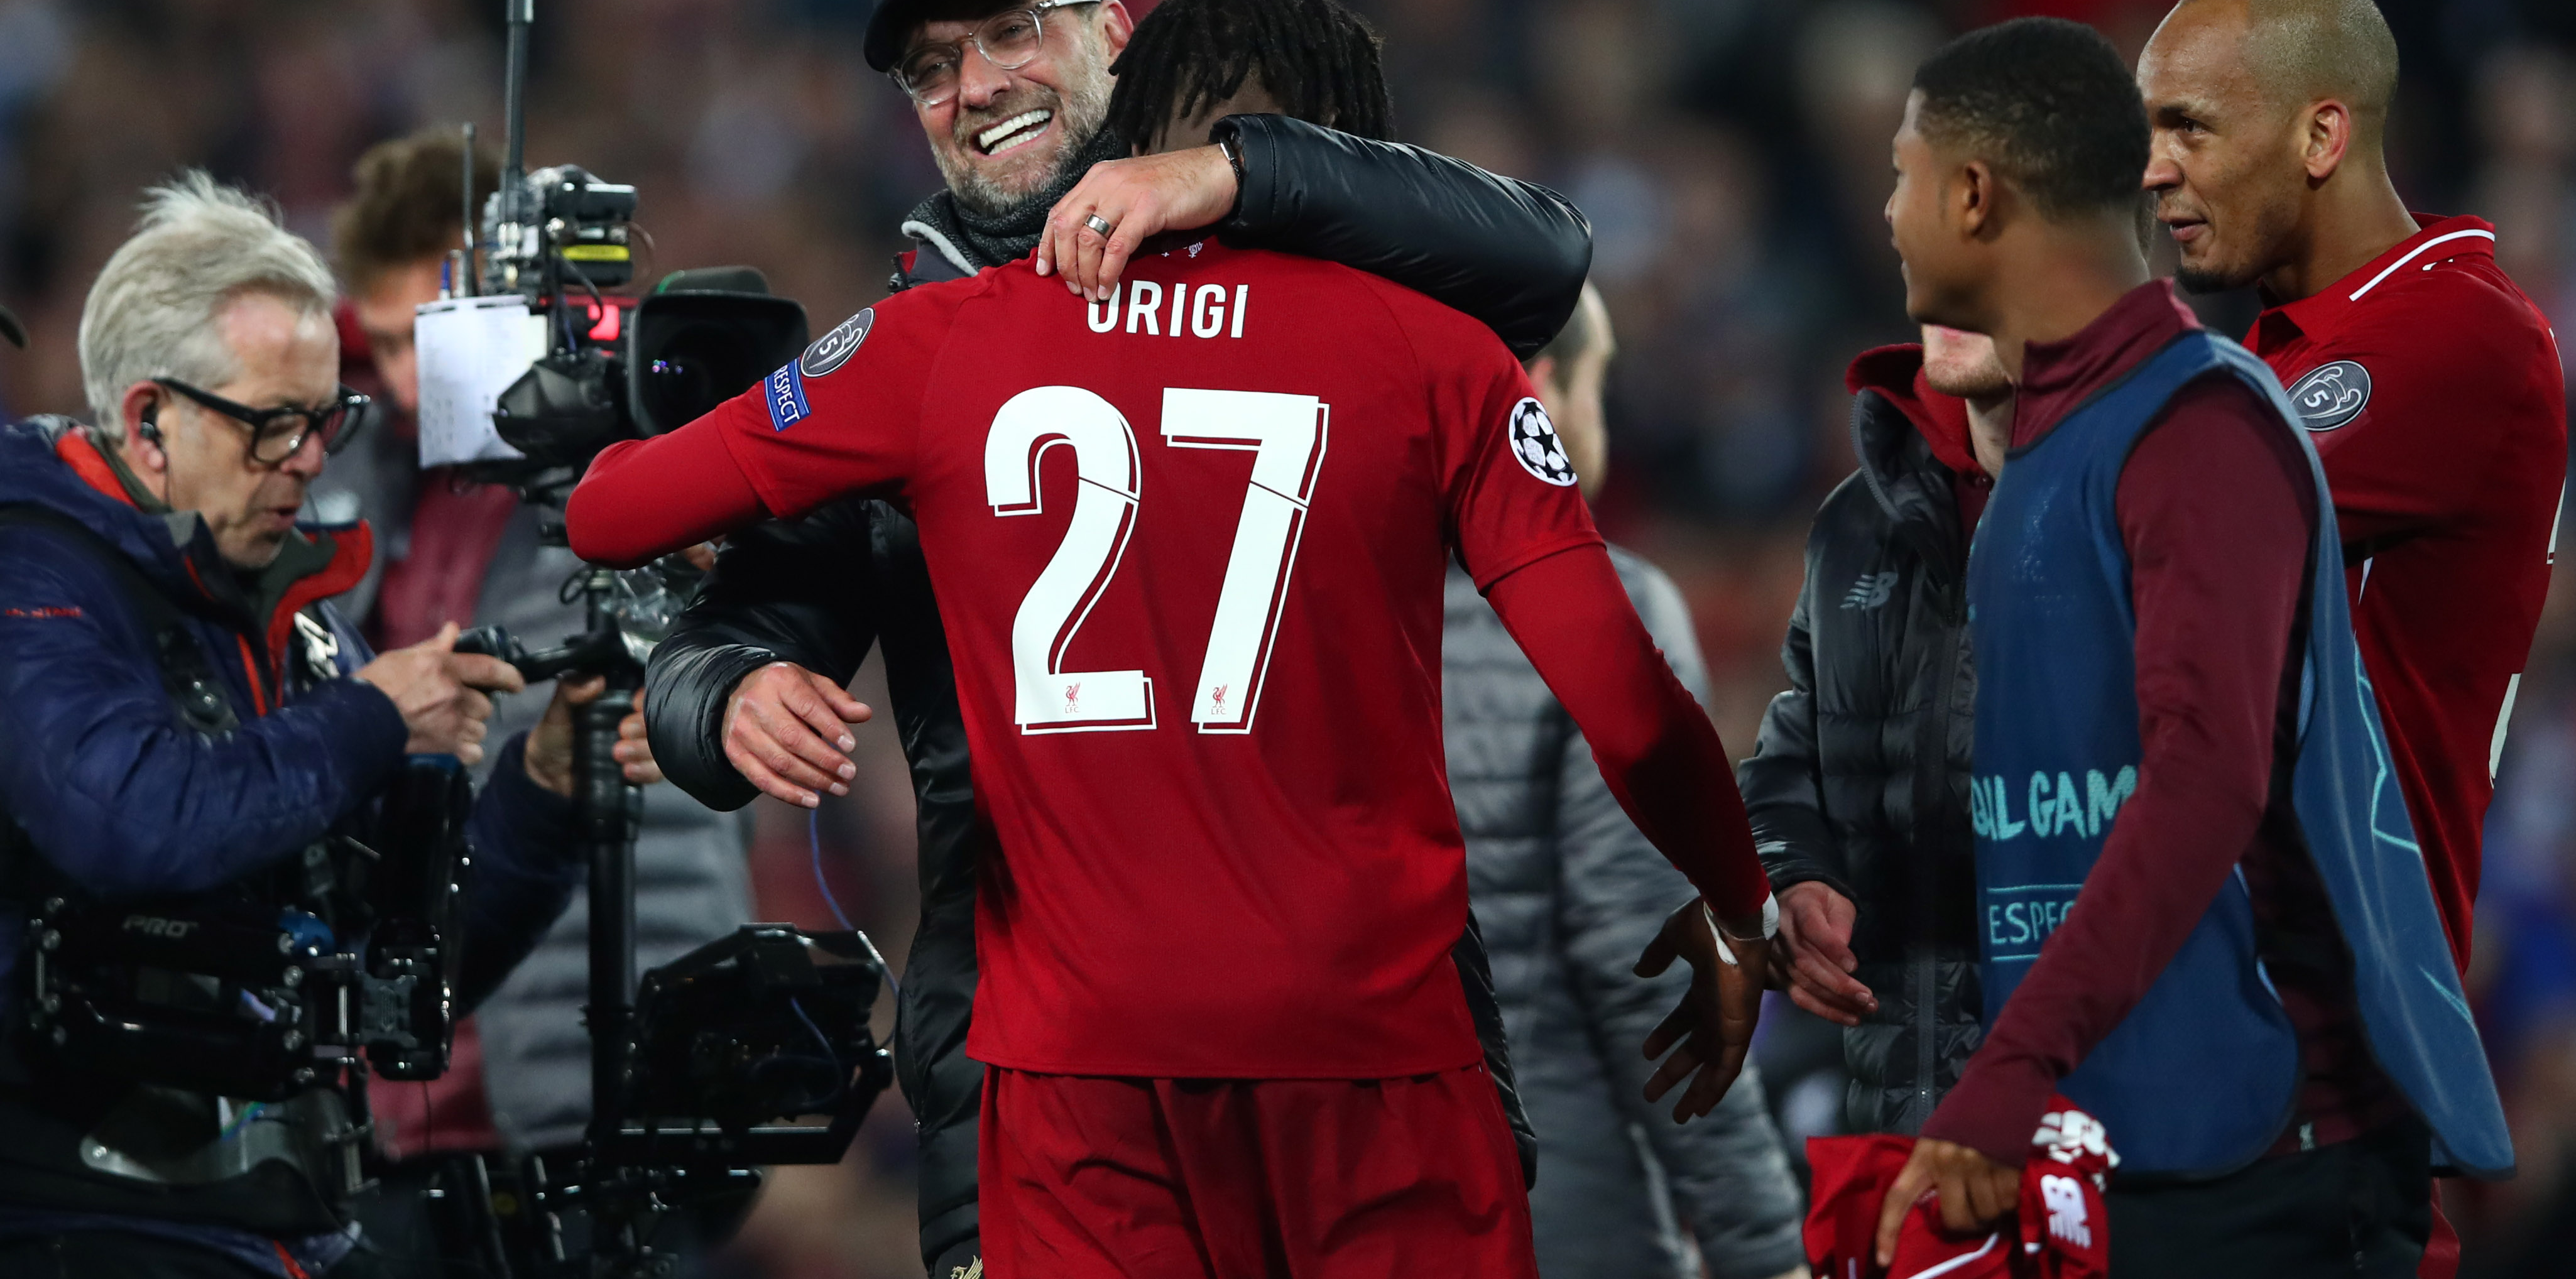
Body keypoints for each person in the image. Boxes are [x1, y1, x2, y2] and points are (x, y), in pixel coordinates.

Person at [564, 173, 1775, 1279]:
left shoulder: (936, 339)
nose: (972, 90)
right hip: (1379, 1046)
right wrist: (1735, 890)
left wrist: (604, 426)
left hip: (1079, 1064)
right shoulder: (1433, 348)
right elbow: (1629, 697)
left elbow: (611, 513)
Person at [641, 0, 1593, 1278]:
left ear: (1111, 38)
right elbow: (721, 636)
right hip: (1038, 1069)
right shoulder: (907, 360)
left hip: (1355, 1040)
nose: (974, 90)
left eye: (1010, 34)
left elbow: (1545, 259)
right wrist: (723, 693)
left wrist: (1237, 173)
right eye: (929, 70)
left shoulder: (1305, 262)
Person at [1874, 17, 2506, 1276]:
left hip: (2266, 1167)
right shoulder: (2048, 452)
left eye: (1899, 175)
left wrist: (2009, 1070)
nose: (1886, 214)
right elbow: (2044, 814)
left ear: (1973, 195)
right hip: (2116, 1149)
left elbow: (2203, 780)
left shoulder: (2197, 426)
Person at [0, 174, 591, 1278]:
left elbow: (409, 977)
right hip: (70, 1218)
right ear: (147, 418)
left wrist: (547, 784)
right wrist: (371, 717)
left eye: (327, 419)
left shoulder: (297, 625)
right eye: (274, 423)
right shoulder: (31, 566)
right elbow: (127, 823)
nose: (313, 460)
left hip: (278, 1223)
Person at [313, 131, 744, 1258]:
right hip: (399, 1112)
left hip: (602, 1073)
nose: (420, 380)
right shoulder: (345, 487)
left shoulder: (646, 460)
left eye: (445, 339)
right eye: (394, 344)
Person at [2137, 0, 2565, 979]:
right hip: (2237, 988)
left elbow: (2170, 537)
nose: (2155, 169)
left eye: (2190, 127)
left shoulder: (2459, 329)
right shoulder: (2278, 356)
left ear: (2321, 135)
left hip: (2339, 1003)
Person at [1442, 282, 1807, 1279]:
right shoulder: (1610, 612)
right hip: (1561, 1214)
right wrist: (1764, 1245)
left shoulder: (1303, 618)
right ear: (1543, 396)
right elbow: (1655, 978)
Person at [1737, 324, 2008, 1133]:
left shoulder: (2156, 482)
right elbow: (1790, 763)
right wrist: (1794, 874)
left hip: (2100, 1133)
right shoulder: (1854, 520)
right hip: (1891, 1118)